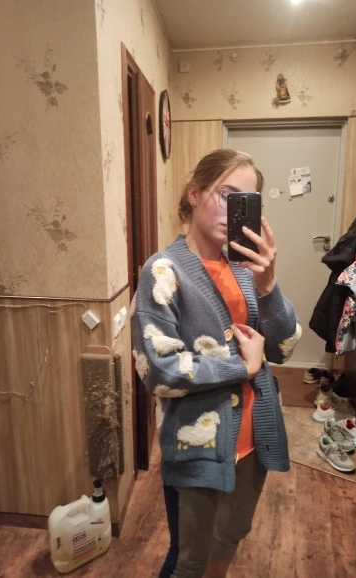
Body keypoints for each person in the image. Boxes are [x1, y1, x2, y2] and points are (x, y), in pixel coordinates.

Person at [131, 149, 301, 578]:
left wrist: (268, 285)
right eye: (226, 195)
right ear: (194, 193)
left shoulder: (246, 269)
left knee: (230, 536)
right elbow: (158, 371)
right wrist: (240, 367)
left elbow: (283, 348)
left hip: (254, 438)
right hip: (199, 443)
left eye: (247, 200)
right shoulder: (163, 271)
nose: (234, 210)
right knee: (188, 558)